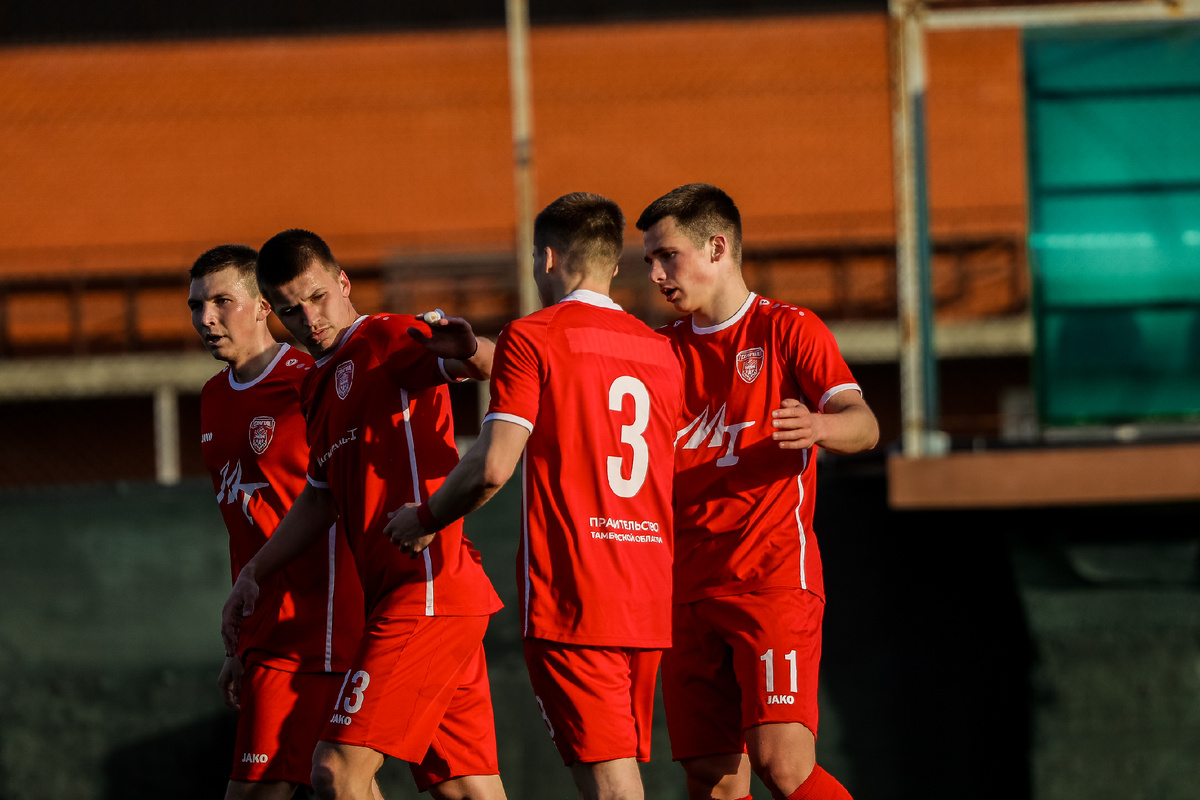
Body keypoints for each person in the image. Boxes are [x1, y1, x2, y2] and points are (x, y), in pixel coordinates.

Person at [387, 193, 683, 800]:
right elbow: (574, 379)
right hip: (646, 593)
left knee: (612, 787)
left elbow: (492, 467)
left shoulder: (533, 335)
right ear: (613, 264)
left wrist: (425, 517)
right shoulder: (660, 350)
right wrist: (477, 352)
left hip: (575, 593)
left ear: (546, 258)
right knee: (621, 777)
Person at [219, 230, 507, 800]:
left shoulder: (385, 336)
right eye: (290, 310)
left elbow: (493, 365)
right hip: (422, 599)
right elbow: (319, 498)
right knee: (466, 788)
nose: (309, 319)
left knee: (336, 770)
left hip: (424, 592)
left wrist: (471, 349)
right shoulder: (316, 383)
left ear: (343, 282)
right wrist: (254, 570)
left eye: (317, 297)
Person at [637, 184, 879, 800]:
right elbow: (561, 365)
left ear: (718, 247)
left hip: (769, 579)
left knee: (782, 763)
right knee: (711, 778)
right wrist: (476, 353)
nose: (657, 274)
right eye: (650, 261)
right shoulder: (660, 349)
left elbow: (865, 425)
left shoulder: (788, 328)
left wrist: (820, 426)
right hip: (685, 588)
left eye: (668, 256)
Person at [189, 244, 369, 800]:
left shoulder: (308, 379)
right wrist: (237, 646)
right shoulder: (212, 397)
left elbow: (339, 496)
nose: (206, 318)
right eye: (196, 305)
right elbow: (243, 528)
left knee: (261, 790)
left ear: (264, 305)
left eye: (222, 301)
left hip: (321, 622)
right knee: (342, 784)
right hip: (265, 630)